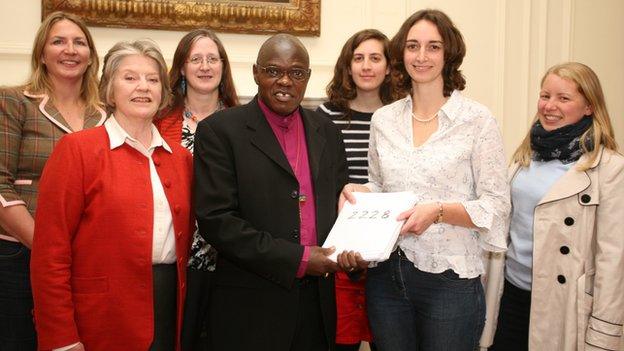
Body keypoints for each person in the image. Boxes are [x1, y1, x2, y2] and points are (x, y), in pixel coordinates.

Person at [338, 9, 510, 351]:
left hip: (449, 281)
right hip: (386, 276)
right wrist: (359, 191)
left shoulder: (477, 121)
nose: (421, 56)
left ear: (449, 55)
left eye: (433, 47)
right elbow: (381, 187)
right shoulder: (384, 120)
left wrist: (439, 212)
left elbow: (497, 207)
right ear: (401, 53)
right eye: (413, 46)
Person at [30, 39, 194, 351]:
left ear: (163, 92)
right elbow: (50, 254)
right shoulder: (77, 151)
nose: (142, 87)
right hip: (100, 321)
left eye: (153, 79)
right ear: (109, 89)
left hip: (169, 313)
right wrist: (61, 337)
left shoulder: (181, 160)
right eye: (130, 78)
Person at [194, 33, 348, 351]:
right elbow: (217, 221)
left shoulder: (328, 133)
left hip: (316, 308)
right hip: (250, 307)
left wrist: (355, 250)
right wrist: (299, 259)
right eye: (273, 70)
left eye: (296, 72)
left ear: (307, 77)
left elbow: (339, 211)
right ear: (255, 73)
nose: (285, 81)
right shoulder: (219, 131)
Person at [483, 62, 624, 351]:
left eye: (563, 98)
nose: (549, 106)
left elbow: (613, 259)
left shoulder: (609, 168)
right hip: (510, 295)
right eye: (545, 95)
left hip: (562, 307)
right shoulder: (525, 156)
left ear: (589, 107)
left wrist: (604, 334)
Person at [0, 11, 105, 350]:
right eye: (58, 41)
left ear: (91, 56)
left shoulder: (107, 115)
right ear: (42, 54)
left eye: (79, 42)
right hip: (18, 255)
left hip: (85, 262)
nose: (70, 50)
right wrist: (51, 251)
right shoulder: (13, 101)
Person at [154, 28, 239, 351]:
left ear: (223, 67)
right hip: (176, 256)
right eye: (196, 59)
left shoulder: (242, 122)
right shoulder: (159, 122)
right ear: (182, 68)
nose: (205, 66)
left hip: (228, 257)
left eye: (212, 59)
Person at [316, 28, 395, 351]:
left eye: (375, 58)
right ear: (347, 67)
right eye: (358, 58)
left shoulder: (401, 116)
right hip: (341, 246)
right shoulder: (325, 115)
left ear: (389, 67)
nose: (366, 66)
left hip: (391, 246)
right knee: (340, 341)